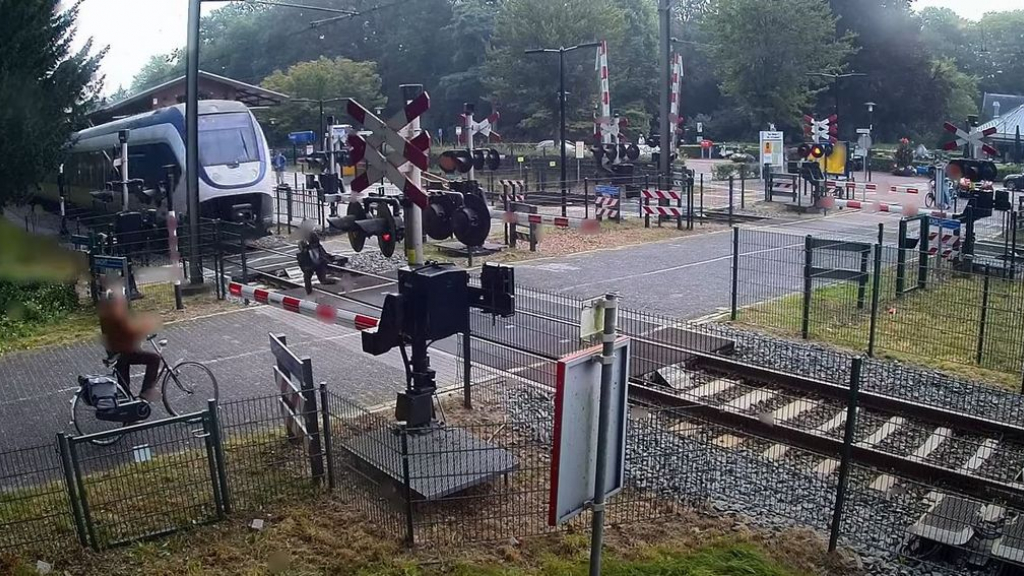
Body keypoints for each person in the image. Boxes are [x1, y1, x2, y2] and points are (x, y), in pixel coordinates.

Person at [98, 280, 162, 403]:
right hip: (123, 352)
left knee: (124, 384)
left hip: (114, 352)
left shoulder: (106, 312)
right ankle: (146, 391)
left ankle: (127, 414)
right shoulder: (116, 313)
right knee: (154, 358)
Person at [296, 226, 340, 294]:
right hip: (315, 262)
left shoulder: (309, 243)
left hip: (313, 263)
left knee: (311, 278)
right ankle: (309, 292)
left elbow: (303, 249)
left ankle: (309, 292)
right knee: (315, 279)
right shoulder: (311, 244)